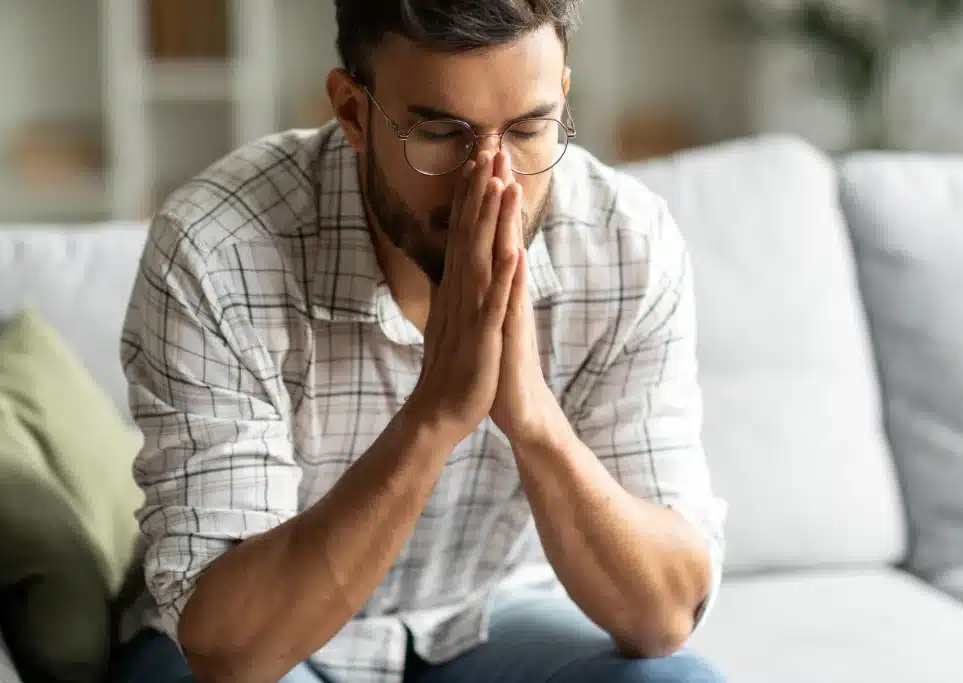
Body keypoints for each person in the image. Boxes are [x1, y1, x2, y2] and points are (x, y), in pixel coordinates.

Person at [112, 1, 727, 682]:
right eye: (440, 132)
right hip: (267, 640)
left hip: (491, 615)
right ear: (351, 111)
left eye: (528, 128)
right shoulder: (214, 247)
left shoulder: (628, 243)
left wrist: (533, 419)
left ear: (562, 98)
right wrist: (436, 413)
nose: (491, 181)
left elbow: (665, 613)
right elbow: (233, 650)